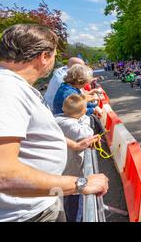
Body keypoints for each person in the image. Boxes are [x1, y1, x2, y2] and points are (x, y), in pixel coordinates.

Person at [0, 24, 108, 222]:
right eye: (53, 56)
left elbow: (34, 135)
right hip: (27, 214)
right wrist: (80, 183)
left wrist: (74, 145)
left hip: (38, 204)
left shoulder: (12, 87)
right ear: (43, 57)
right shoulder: (3, 91)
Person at [55, 94, 98, 222]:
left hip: (62, 170)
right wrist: (85, 117)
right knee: (75, 206)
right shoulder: (73, 126)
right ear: (83, 111)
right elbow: (88, 132)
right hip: (72, 172)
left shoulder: (57, 119)